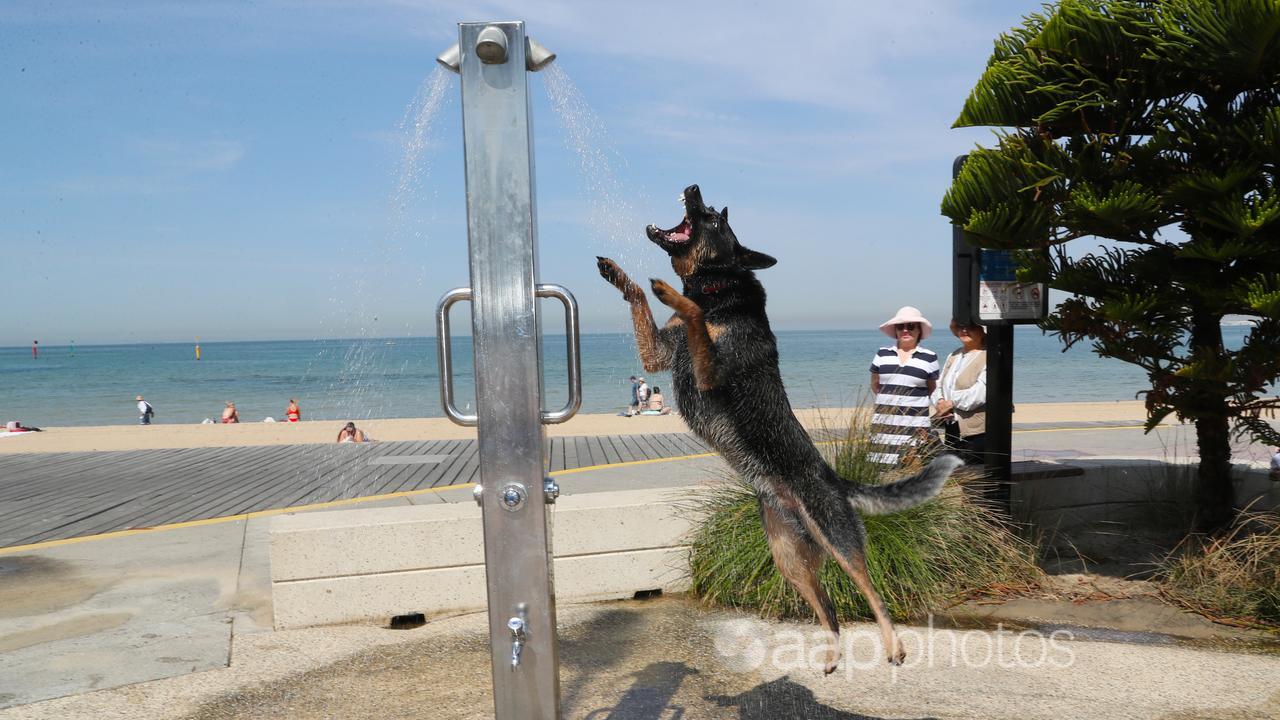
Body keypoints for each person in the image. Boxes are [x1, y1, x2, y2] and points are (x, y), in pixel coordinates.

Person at [869, 306, 940, 466]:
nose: (905, 330)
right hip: (883, 427)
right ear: (895, 330)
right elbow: (875, 385)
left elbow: (931, 388)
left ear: (919, 331)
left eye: (911, 326)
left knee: (912, 477)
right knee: (880, 473)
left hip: (915, 429)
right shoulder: (882, 354)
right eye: (901, 326)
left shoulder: (929, 358)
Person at [932, 319, 988, 465]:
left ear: (982, 330)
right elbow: (940, 383)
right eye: (961, 326)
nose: (964, 330)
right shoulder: (954, 354)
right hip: (952, 427)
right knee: (953, 472)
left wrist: (951, 403)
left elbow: (980, 393)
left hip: (977, 431)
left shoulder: (989, 355)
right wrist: (939, 402)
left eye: (971, 326)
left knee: (974, 472)